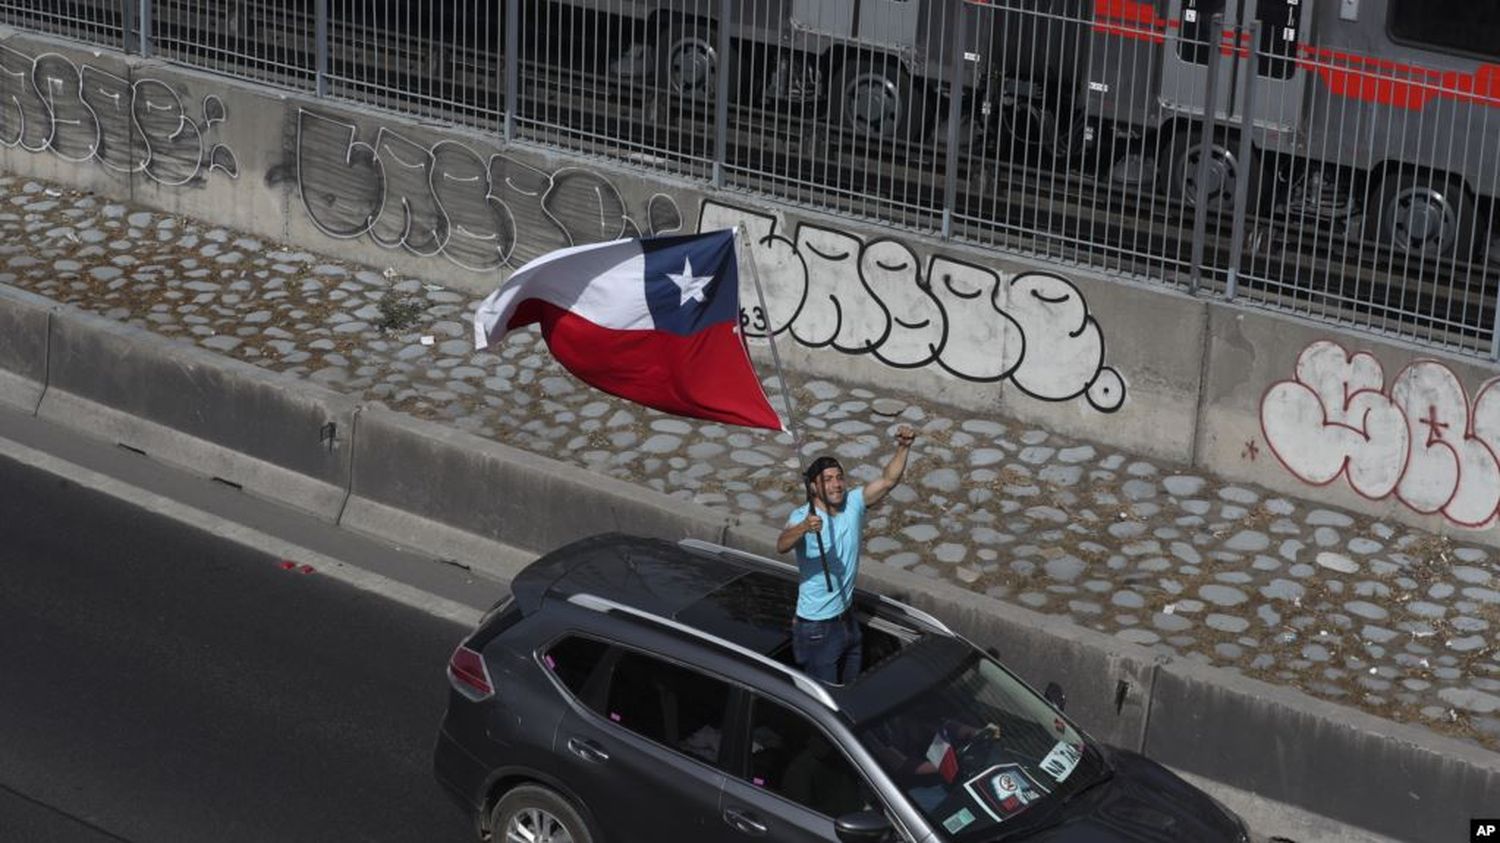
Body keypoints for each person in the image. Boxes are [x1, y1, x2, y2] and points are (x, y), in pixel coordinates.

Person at [776, 424, 917, 683]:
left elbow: (888, 480)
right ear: (813, 488)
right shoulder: (801, 517)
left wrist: (903, 447)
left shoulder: (853, 503)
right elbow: (782, 544)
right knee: (828, 699)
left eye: (839, 477)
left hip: (847, 619)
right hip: (816, 627)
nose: (837, 484)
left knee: (852, 689)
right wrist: (804, 527)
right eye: (827, 479)